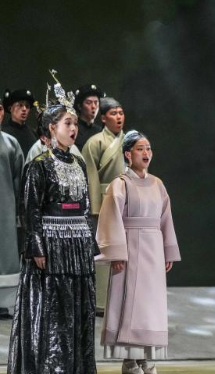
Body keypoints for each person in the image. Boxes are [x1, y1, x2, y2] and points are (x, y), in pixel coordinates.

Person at [7, 78, 98, 373]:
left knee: (78, 307)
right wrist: (36, 246)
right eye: (67, 123)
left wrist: (90, 242)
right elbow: (31, 208)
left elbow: (85, 205)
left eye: (75, 123)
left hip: (77, 246)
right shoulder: (39, 166)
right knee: (53, 309)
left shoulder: (79, 163)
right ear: (51, 128)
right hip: (51, 246)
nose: (73, 128)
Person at [96, 131, 181, 374]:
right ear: (128, 154)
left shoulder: (157, 184)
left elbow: (165, 218)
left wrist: (167, 251)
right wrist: (117, 253)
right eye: (140, 149)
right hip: (130, 250)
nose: (146, 153)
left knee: (150, 307)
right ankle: (129, 360)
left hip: (153, 251)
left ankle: (146, 357)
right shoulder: (120, 184)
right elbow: (111, 219)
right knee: (130, 305)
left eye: (149, 148)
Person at [82, 96, 126, 314]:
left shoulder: (130, 141)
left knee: (125, 249)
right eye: (113, 113)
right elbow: (90, 176)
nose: (118, 117)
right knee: (103, 250)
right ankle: (100, 300)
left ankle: (124, 298)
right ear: (103, 118)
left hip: (126, 201)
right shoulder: (95, 142)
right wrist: (95, 207)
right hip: (104, 200)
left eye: (121, 113)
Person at [0, 110, 23, 318]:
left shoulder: (11, 143)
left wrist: (17, 210)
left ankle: (3, 303)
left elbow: (18, 178)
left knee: (5, 254)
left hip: (5, 207)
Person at [2, 89, 37, 155]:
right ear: (10, 108)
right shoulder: (3, 133)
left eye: (27, 106)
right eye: (20, 105)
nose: (24, 109)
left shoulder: (33, 133)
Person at [73, 84, 105, 150]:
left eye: (96, 102)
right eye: (88, 102)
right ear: (79, 106)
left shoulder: (101, 131)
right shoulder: (72, 129)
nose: (93, 106)